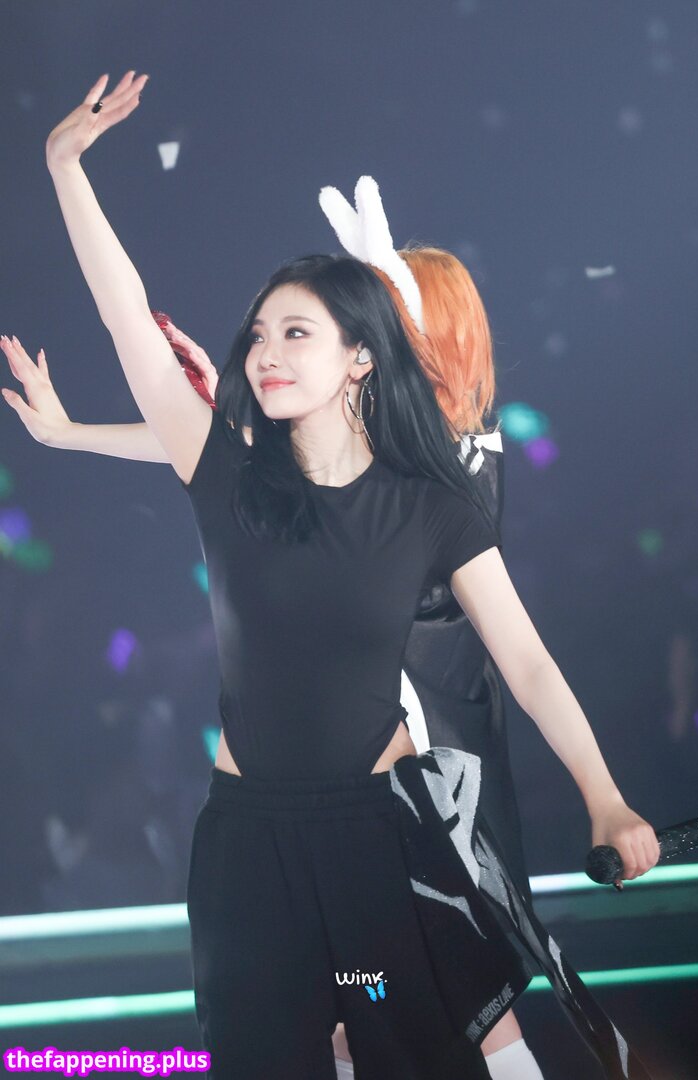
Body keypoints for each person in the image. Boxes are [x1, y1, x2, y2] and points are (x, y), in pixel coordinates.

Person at [5, 71, 661, 1079]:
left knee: (388, 1034)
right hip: (247, 856)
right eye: (259, 334)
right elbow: (124, 314)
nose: (265, 351)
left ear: (360, 358)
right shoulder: (225, 474)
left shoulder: (430, 503)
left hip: (375, 853)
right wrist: (65, 168)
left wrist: (606, 799)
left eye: (296, 332)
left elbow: (528, 664)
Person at [1, 247, 536, 1080]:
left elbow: (239, 445)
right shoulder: (339, 447)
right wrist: (83, 431)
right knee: (365, 1011)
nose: (278, 349)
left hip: (406, 771)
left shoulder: (436, 470)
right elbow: (221, 448)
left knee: (452, 1006)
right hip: (326, 779)